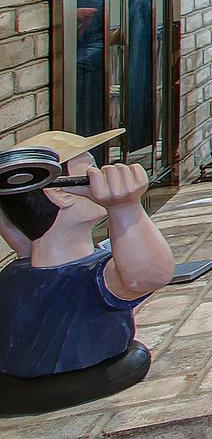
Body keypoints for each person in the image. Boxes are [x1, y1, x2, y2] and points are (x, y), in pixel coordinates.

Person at [0, 129, 173, 384]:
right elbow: (150, 276)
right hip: (82, 372)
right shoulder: (87, 277)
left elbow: (20, 237)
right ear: (59, 192)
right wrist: (125, 208)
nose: (101, 173)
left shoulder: (17, 272)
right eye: (91, 168)